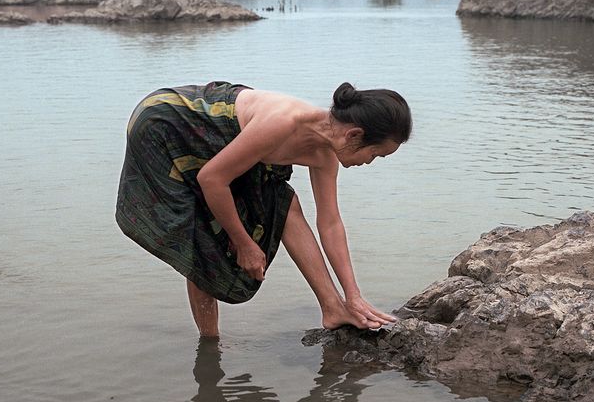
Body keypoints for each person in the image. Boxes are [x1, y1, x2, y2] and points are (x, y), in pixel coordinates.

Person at [115, 81, 412, 337]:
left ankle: (333, 308)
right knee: (206, 233)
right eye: (376, 154)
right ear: (354, 135)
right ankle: (210, 344)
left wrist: (354, 296)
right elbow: (212, 178)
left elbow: (330, 223)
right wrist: (244, 244)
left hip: (217, 139)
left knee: (282, 202)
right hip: (165, 126)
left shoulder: (324, 153)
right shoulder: (282, 124)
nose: (370, 162)